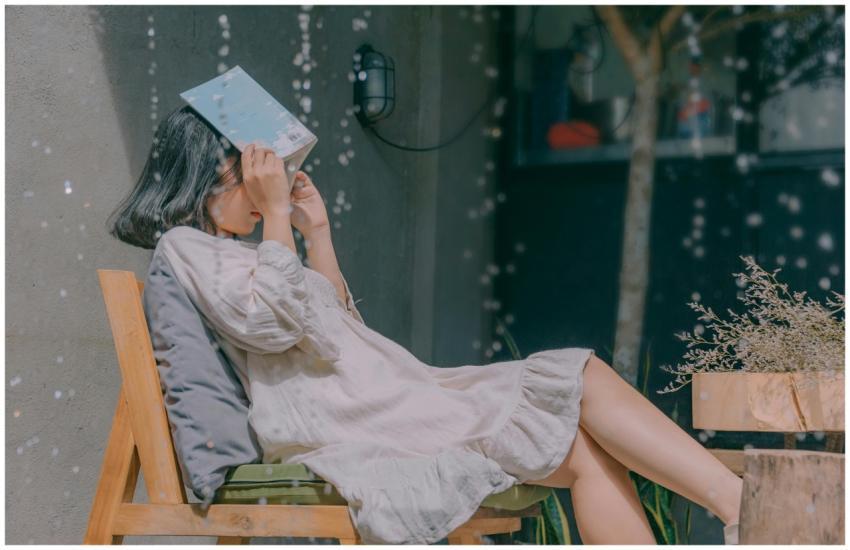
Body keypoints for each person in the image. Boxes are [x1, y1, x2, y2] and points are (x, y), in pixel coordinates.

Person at [107, 106, 742, 545]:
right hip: (345, 419)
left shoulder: (247, 253)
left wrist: (315, 233)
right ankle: (741, 508)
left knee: (582, 445)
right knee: (580, 375)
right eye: (249, 177)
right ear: (210, 173)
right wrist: (275, 216)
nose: (260, 190)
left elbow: (333, 326)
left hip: (384, 395)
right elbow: (274, 328)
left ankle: (737, 507)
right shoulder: (187, 249)